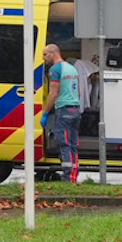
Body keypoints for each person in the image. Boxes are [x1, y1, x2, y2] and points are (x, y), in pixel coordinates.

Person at [38, 42, 82, 182]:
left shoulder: (55, 69)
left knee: (64, 144)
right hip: (75, 109)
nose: (44, 58)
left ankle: (67, 177)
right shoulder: (71, 68)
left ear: (53, 53)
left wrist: (45, 112)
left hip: (63, 110)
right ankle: (74, 175)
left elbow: (53, 93)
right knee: (73, 144)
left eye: (45, 54)